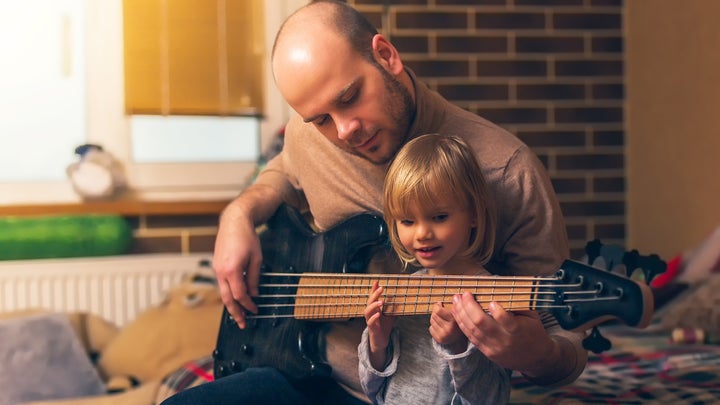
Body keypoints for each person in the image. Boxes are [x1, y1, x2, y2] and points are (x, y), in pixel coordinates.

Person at [162, 1, 587, 404]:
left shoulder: (506, 170)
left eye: (349, 98)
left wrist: (537, 356)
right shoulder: (310, 134)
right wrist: (239, 213)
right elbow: (283, 172)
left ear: (385, 55)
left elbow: (566, 342)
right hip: (301, 373)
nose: (344, 130)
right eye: (321, 119)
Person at [358, 133, 510, 404]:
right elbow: (372, 390)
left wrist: (457, 346)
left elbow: (493, 397)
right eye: (407, 220)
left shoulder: (493, 294)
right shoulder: (400, 290)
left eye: (439, 217)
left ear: (474, 214)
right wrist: (377, 343)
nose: (422, 234)